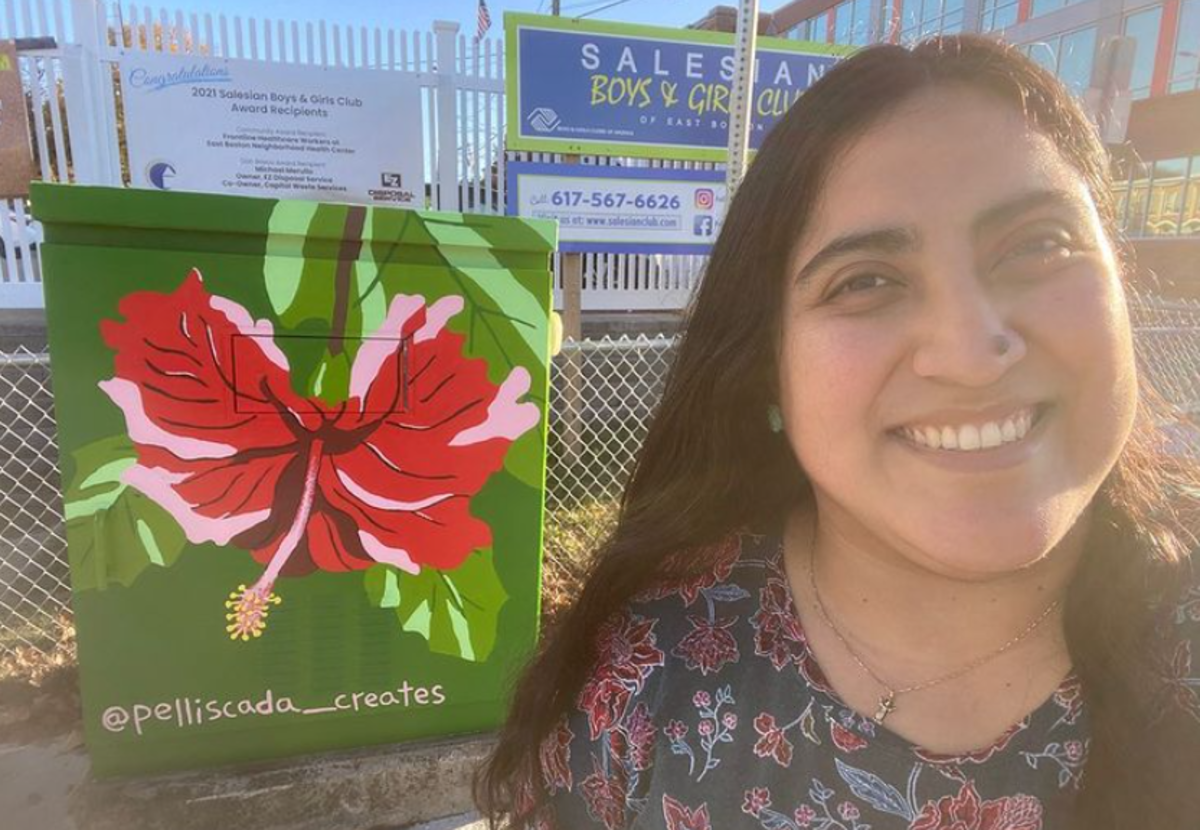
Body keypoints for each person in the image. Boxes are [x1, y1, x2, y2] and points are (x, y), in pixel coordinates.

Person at [477, 35, 1200, 829]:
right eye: (866, 282)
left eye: (1037, 245)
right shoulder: (649, 675)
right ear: (767, 372)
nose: (971, 352)